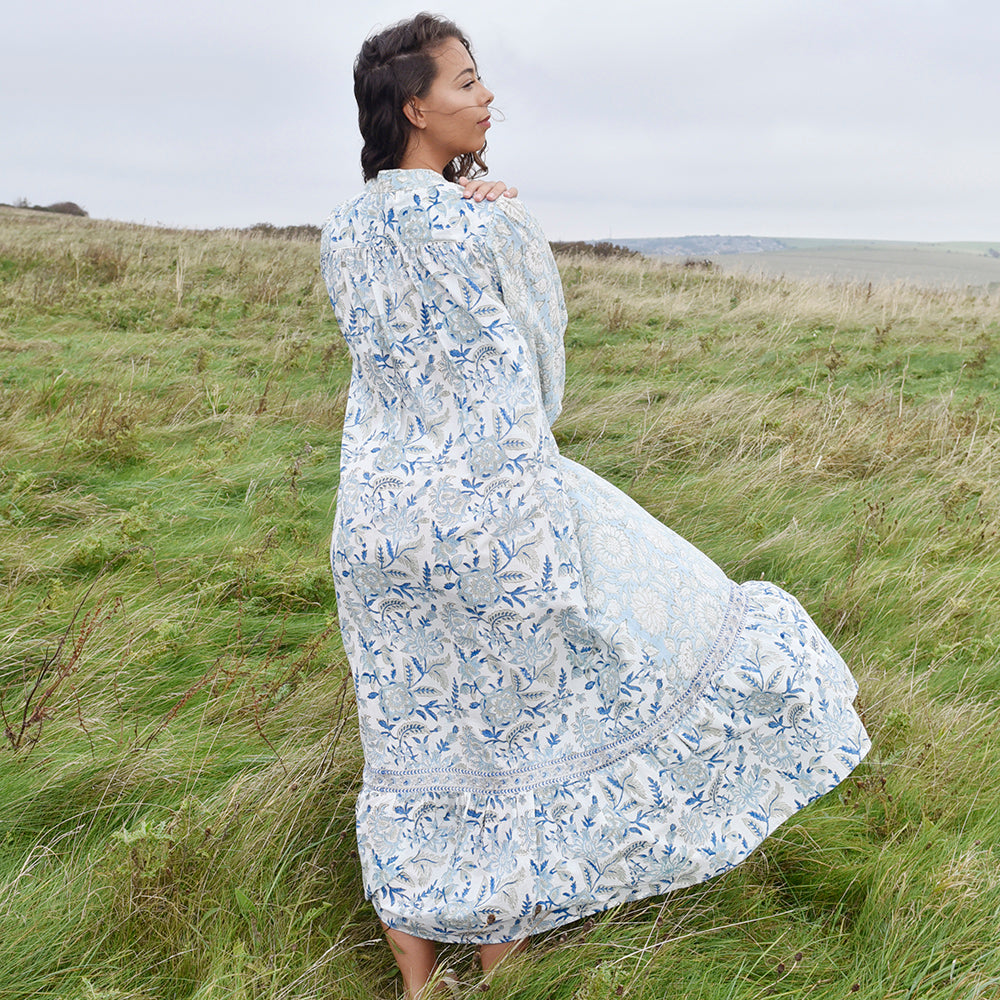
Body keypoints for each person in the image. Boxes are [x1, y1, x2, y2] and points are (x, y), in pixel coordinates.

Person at [320, 13, 870, 1000]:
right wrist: (493, 221)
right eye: (467, 83)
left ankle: (413, 984)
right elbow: (542, 373)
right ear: (416, 107)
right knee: (507, 753)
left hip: (372, 525)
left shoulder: (341, 232)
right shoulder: (494, 222)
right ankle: (499, 973)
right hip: (490, 517)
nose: (487, 97)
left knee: (406, 741)